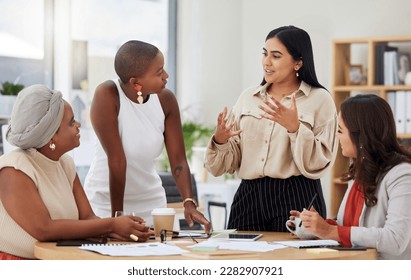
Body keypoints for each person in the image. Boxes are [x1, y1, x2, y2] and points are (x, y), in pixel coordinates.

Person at [205, 25, 338, 232]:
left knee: (293, 261)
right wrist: (221, 141)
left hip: (296, 194)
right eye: (265, 54)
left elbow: (321, 161)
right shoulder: (248, 98)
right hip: (248, 196)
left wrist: (295, 129)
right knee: (241, 258)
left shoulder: (320, 99)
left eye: (276, 56)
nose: (266, 62)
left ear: (298, 63)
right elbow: (225, 164)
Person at [0, 85, 151, 260]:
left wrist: (121, 231)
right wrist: (111, 225)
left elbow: (87, 217)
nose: (78, 125)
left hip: (58, 260)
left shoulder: (65, 164)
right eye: (72, 122)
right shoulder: (14, 169)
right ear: (51, 136)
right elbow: (44, 229)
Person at [84, 40, 210, 232]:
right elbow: (117, 160)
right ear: (136, 82)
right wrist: (117, 218)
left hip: (152, 205)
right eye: (159, 72)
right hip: (106, 204)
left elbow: (178, 160)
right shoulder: (108, 95)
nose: (166, 76)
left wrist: (188, 202)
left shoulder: (166, 100)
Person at [296, 94, 411, 260]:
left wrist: (331, 231)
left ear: (362, 136)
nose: (336, 136)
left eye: (340, 130)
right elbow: (352, 228)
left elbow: (395, 239)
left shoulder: (402, 176)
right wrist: (315, 224)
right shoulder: (360, 171)